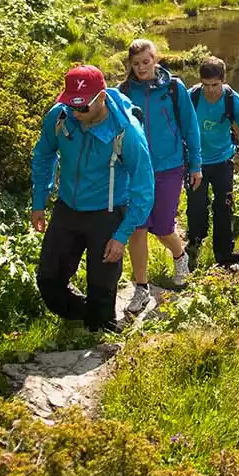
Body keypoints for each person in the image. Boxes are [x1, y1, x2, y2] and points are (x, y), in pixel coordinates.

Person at [29, 64, 153, 333]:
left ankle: (101, 326)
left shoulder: (127, 133)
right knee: (48, 281)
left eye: (83, 107)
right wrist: (39, 201)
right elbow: (43, 156)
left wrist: (122, 235)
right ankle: (84, 314)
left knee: (102, 289)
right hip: (67, 209)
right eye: (71, 105)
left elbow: (144, 188)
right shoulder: (60, 117)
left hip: (107, 213)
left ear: (102, 98)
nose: (76, 112)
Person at [118, 38, 200, 319]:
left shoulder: (174, 89)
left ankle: (180, 256)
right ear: (130, 65)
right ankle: (141, 288)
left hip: (170, 166)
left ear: (156, 59)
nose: (142, 67)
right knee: (137, 227)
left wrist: (196, 165)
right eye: (136, 63)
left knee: (164, 227)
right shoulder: (124, 92)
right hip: (136, 169)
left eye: (146, 61)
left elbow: (190, 127)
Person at [188, 56, 239, 269]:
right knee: (196, 207)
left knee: (224, 206)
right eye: (205, 85)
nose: (210, 90)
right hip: (196, 162)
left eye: (215, 85)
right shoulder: (192, 98)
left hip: (222, 161)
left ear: (224, 80)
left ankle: (224, 253)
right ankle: (194, 245)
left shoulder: (234, 102)